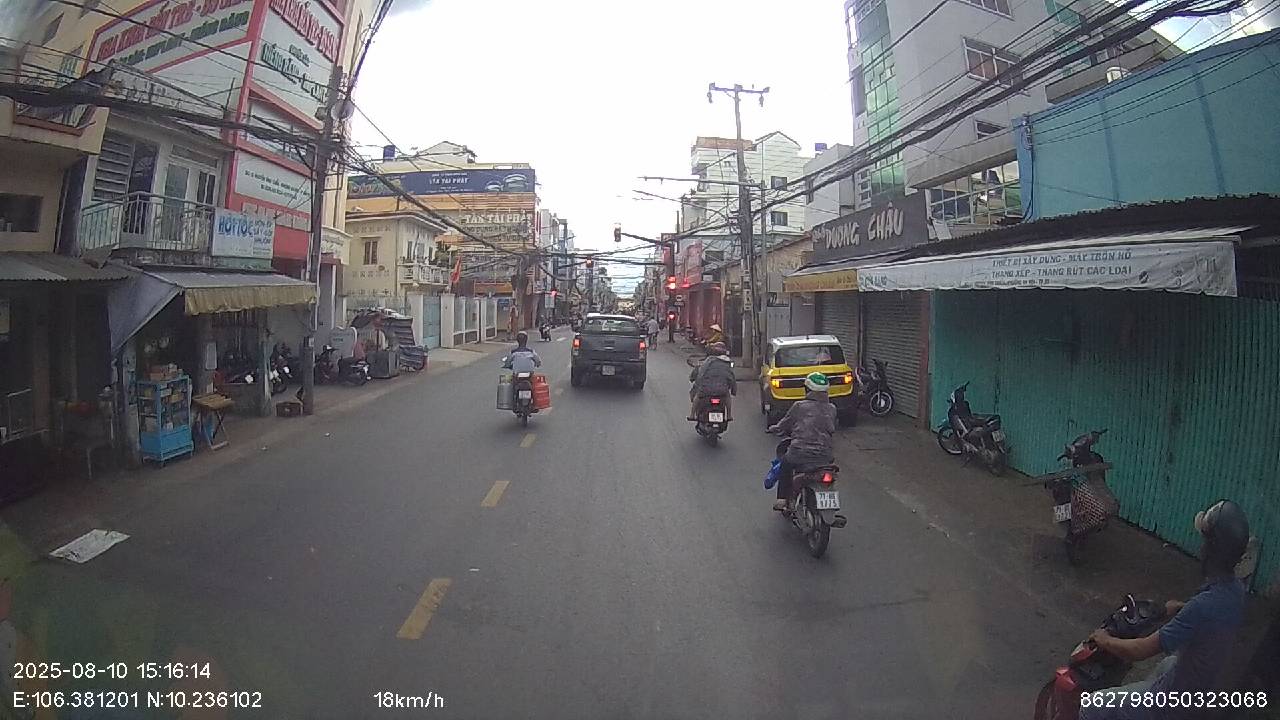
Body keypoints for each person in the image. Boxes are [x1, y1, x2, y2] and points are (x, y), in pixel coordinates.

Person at [1081, 499, 1250, 720]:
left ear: (1211, 549)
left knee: (1091, 706)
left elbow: (1139, 651)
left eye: (1205, 541)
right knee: (1168, 663)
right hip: (1199, 690)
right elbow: (1210, 618)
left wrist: (1104, 640)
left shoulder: (1201, 607)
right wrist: (1179, 609)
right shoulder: (1235, 591)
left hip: (1171, 704)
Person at [767, 372, 837, 511]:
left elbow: (785, 424)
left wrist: (774, 428)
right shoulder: (832, 408)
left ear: (807, 389)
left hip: (799, 453)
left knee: (785, 464)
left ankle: (782, 499)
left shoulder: (799, 406)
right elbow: (831, 428)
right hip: (825, 456)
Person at [687, 341, 735, 421]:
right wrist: (733, 390)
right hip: (722, 390)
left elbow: (699, 373)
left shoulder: (707, 361)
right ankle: (729, 415)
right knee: (727, 397)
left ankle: (692, 415)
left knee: (697, 396)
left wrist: (694, 380)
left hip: (706, 389)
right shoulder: (728, 363)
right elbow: (731, 378)